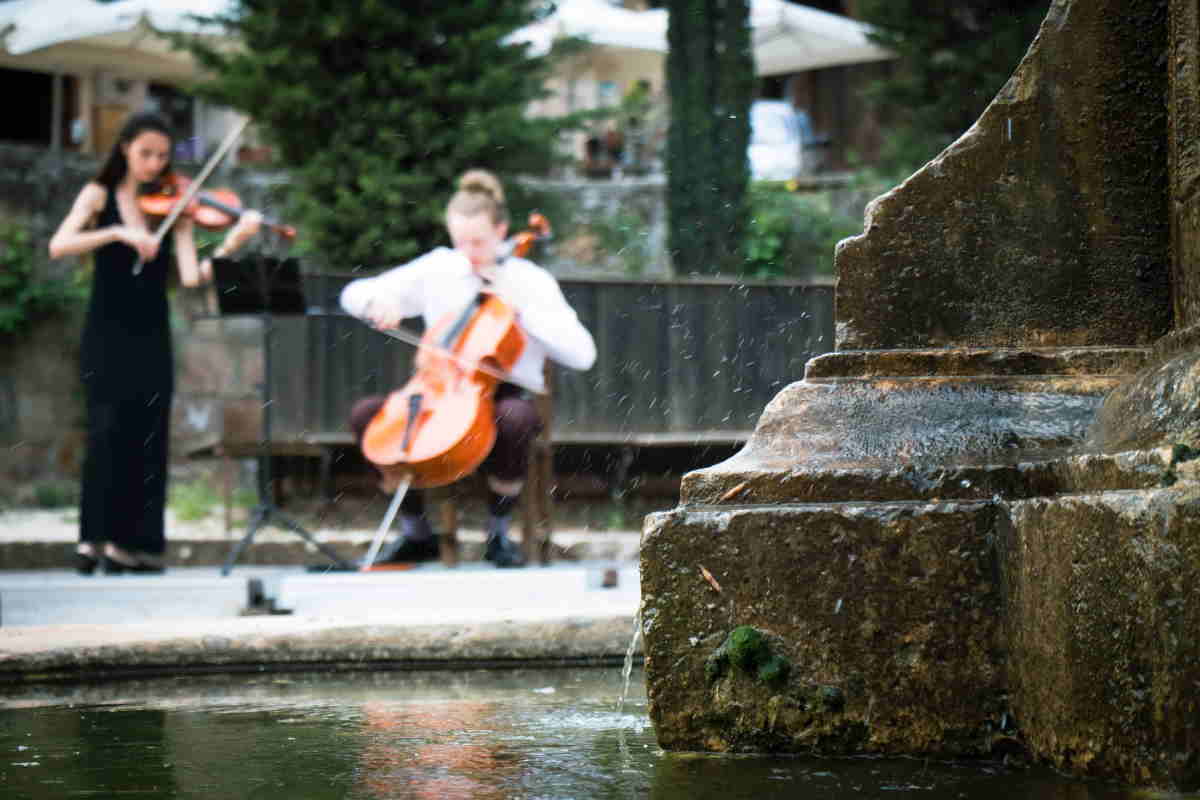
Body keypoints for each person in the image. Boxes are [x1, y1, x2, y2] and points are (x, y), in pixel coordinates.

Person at [341, 169, 596, 568]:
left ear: (502, 230)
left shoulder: (529, 280)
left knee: (514, 419)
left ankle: (498, 532)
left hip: (500, 393)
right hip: (436, 389)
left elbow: (583, 355)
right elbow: (354, 292)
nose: (469, 251)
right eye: (461, 241)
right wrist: (377, 304)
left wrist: (521, 307)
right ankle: (416, 533)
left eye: (478, 241)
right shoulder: (440, 267)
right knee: (368, 418)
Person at [48, 111, 262, 574]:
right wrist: (117, 232)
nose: (154, 163)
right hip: (106, 329)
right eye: (146, 153)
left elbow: (190, 277)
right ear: (125, 147)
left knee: (147, 435)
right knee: (105, 430)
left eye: (163, 156)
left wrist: (232, 242)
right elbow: (59, 244)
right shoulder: (98, 195)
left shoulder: (175, 205)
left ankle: (133, 545)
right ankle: (93, 540)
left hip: (152, 333)